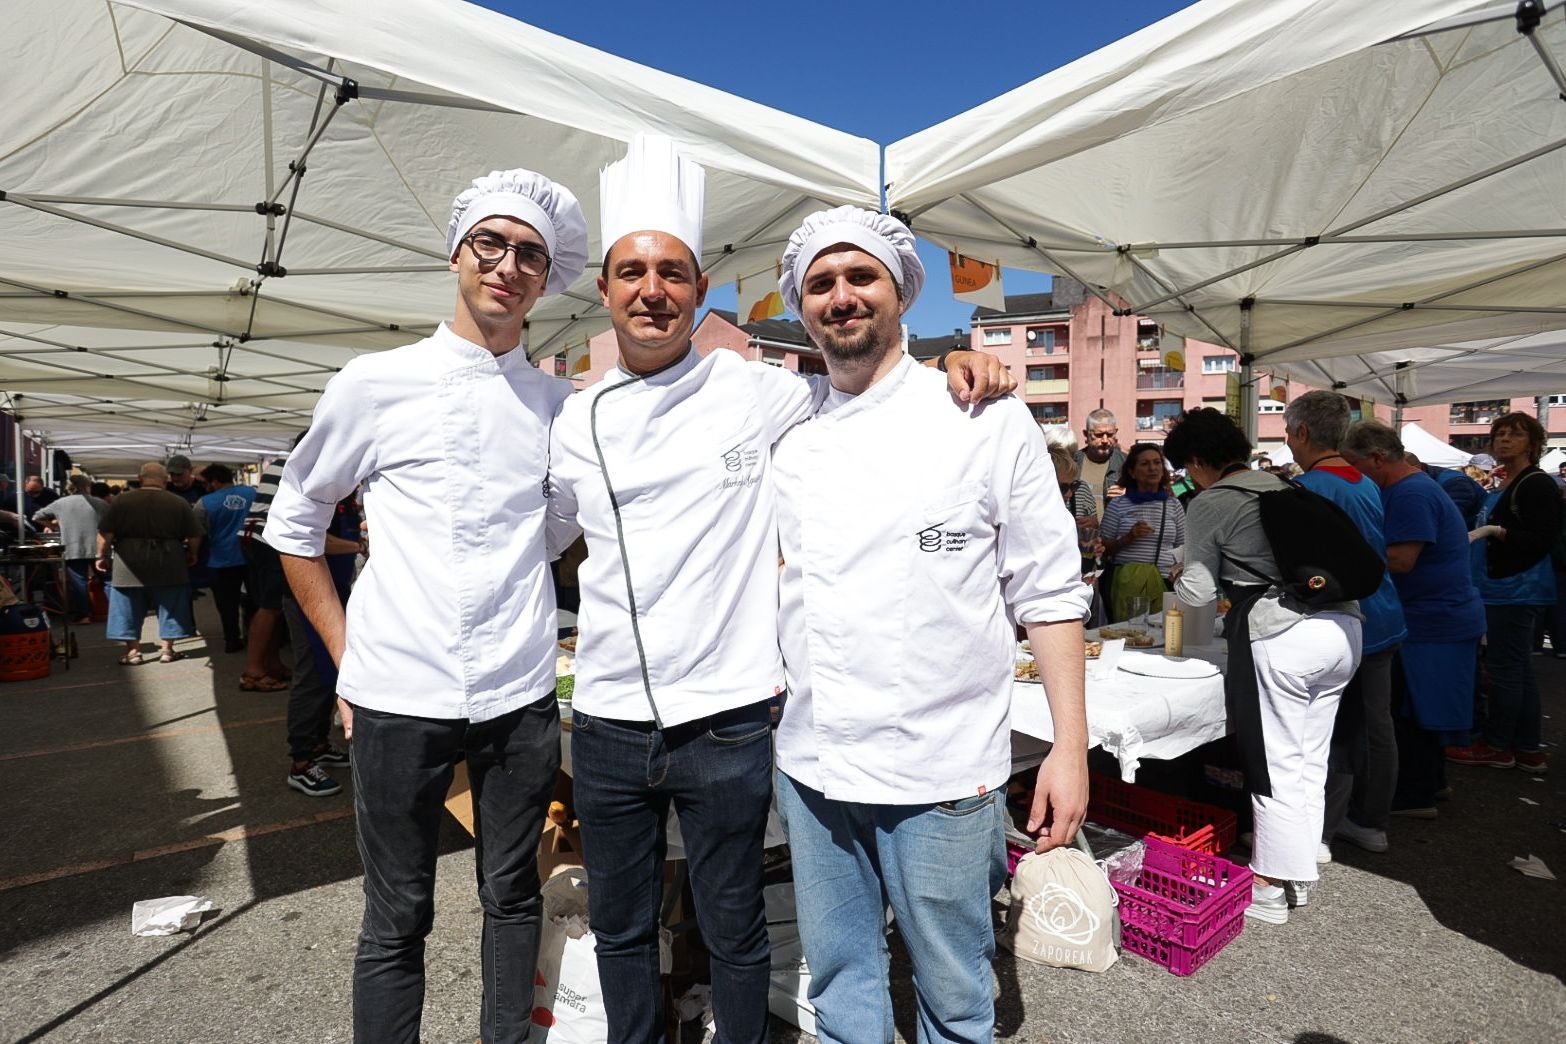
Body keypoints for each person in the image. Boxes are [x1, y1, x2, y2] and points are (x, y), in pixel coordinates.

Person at [545, 139, 1014, 1044]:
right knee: (625, 927)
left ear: (701, 291)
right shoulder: (574, 416)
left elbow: (876, 385)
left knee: (735, 924)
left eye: (673, 272)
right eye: (632, 272)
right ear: (603, 291)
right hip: (605, 716)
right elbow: (540, 543)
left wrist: (967, 367)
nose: (653, 290)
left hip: (726, 717)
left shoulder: (764, 391)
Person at [266, 167, 589, 1044]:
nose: (508, 266)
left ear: (545, 278)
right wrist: (346, 656)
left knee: (512, 896)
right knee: (397, 912)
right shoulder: (376, 382)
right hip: (398, 693)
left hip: (520, 697)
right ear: (458, 254)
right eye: (492, 243)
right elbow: (294, 524)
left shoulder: (563, 405)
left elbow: (554, 537)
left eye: (530, 254)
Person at [764, 206, 1090, 1043]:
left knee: (954, 989)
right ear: (801, 307)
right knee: (840, 980)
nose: (841, 297)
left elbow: (1048, 590)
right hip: (814, 761)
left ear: (903, 289)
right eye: (821, 284)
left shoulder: (982, 415)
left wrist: (1068, 747)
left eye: (860, 276)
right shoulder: (784, 422)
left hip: (942, 764)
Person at [1165, 408, 1362, 924]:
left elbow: (1200, 593)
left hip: (1284, 635)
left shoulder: (1215, 499)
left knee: (1273, 761)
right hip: (1344, 629)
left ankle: (1270, 888)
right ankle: (1296, 870)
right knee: (1308, 758)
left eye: (1187, 470)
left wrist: (1178, 571)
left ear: (1196, 461)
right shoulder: (1286, 487)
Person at [1283, 392, 1408, 857]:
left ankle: (1322, 830)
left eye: (1288, 431)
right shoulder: (1363, 479)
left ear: (1301, 433)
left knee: (1332, 729)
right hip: (1381, 614)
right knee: (1373, 725)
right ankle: (1369, 819)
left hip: (1346, 620)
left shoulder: (1311, 487)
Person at [1341, 420, 1484, 819]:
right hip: (1439, 616)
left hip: (1433, 619)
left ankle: (1414, 795)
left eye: (1355, 465)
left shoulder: (1410, 493)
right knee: (1424, 710)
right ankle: (1431, 785)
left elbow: (1402, 560)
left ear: (1377, 458)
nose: (1354, 476)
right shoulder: (1415, 487)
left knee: (1412, 713)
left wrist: (1344, 561)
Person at [1447, 412, 1561, 773]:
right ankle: (1527, 747)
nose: (1504, 440)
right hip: (1500, 586)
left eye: (1514, 434)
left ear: (1533, 442)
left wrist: (1495, 532)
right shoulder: (1509, 481)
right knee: (1518, 668)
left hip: (1514, 588)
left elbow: (1543, 539)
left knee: (1505, 669)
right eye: (1499, 434)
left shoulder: (1535, 484)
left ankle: (1497, 745)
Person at [281, 493, 362, 798]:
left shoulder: (343, 495)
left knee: (332, 673)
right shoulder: (312, 491)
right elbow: (315, 538)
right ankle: (301, 763)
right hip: (309, 596)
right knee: (313, 676)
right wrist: (361, 545)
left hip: (337, 590)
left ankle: (319, 745)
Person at [96, 462, 202, 665]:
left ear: (140, 477)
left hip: (128, 561)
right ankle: (167, 650)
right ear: (165, 479)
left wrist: (100, 555)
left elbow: (105, 533)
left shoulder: (121, 500)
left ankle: (134, 653)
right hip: (169, 558)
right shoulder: (177, 501)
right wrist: (193, 554)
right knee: (170, 604)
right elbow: (195, 534)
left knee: (127, 606)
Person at [1099, 442, 1185, 622]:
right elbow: (1103, 548)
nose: (1152, 468)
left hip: (1165, 583)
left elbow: (1183, 546)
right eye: (1144, 464)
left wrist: (1178, 571)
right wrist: (1128, 538)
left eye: (1157, 462)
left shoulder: (1173, 505)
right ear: (1131, 471)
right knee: (1128, 634)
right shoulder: (1118, 504)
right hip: (1127, 584)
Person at [241, 444, 297, 690]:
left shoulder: (280, 463)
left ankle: (272, 663)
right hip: (268, 537)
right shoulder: (300, 464)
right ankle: (253, 671)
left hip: (252, 535)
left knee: (271, 604)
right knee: (271, 606)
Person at [31, 474, 109, 623]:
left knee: (79, 583)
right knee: (107, 581)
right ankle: (115, 614)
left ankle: (84, 615)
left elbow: (36, 517)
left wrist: (53, 525)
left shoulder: (60, 503)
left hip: (73, 547)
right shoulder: (100, 503)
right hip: (98, 546)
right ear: (87, 487)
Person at [194, 464, 255, 653]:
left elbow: (197, 533)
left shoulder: (205, 502)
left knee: (226, 604)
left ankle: (232, 639)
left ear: (215, 480)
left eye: (206, 482)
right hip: (251, 557)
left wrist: (193, 553)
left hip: (221, 559)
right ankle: (256, 637)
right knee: (255, 600)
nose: (205, 486)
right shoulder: (252, 493)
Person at [1072, 407, 1126, 517]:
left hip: (1115, 533)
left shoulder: (1128, 463)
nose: (1105, 440)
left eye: (1110, 434)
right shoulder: (1073, 462)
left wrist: (1130, 494)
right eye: (1099, 435)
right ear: (1086, 434)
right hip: (1079, 532)